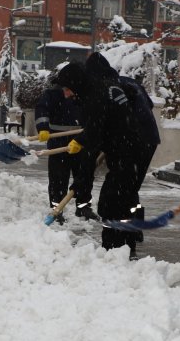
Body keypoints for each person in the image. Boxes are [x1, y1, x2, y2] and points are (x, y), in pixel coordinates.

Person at [54, 53, 159, 258]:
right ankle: (126, 244)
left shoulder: (97, 95)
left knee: (111, 201)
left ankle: (114, 249)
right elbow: (101, 129)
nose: (65, 95)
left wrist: (80, 181)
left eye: (67, 89)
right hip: (142, 139)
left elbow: (93, 142)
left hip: (131, 145)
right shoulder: (119, 84)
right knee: (125, 196)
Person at [34, 84, 97, 222]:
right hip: (58, 141)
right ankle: (57, 209)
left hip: (81, 141)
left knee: (84, 176)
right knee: (58, 177)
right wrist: (43, 128)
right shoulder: (52, 94)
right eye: (67, 89)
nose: (69, 93)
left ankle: (83, 207)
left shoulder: (83, 94)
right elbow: (41, 109)